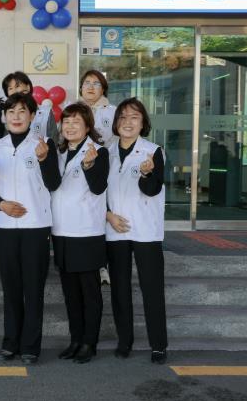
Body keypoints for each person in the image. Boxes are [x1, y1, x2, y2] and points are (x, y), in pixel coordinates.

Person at [0, 92, 60, 365]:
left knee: (33, 288)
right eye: (11, 112)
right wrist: (0, 204)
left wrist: (44, 159)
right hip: (5, 226)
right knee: (11, 288)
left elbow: (54, 183)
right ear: (4, 117)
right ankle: (10, 342)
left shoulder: (44, 143)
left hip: (35, 225)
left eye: (22, 111)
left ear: (32, 116)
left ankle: (30, 346)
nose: (16, 117)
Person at [105, 97, 168, 364]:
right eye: (123, 117)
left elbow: (152, 189)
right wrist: (108, 215)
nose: (127, 122)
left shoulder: (153, 152)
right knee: (119, 289)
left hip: (145, 230)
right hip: (115, 229)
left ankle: (158, 345)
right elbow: (97, 191)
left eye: (134, 117)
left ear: (143, 123)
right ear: (116, 122)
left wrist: (146, 174)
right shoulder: (105, 152)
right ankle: (125, 341)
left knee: (152, 289)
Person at [49, 103, 109, 364]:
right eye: (66, 121)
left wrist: (89, 165)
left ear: (87, 127)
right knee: (70, 292)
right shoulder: (58, 152)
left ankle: (89, 343)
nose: (70, 126)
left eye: (76, 122)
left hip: (86, 232)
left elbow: (98, 187)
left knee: (89, 292)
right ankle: (75, 340)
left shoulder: (99, 152)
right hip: (61, 231)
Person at [73, 69, 116, 286]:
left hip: (106, 172)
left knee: (102, 218)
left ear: (103, 89)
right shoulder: (72, 111)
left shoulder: (113, 112)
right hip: (77, 172)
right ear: (81, 87)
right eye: (87, 83)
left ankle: (102, 266)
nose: (91, 87)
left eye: (96, 83)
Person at [0, 71, 58, 143]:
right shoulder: (6, 113)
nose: (14, 91)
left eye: (17, 86)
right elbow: (0, 139)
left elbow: (54, 139)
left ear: (28, 87)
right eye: (10, 88)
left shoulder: (45, 112)